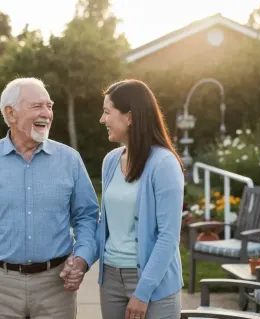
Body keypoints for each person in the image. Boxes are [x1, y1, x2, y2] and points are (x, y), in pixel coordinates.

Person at [0, 77, 99, 319]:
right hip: (0, 287)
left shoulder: (69, 160)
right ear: (11, 114)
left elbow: (88, 217)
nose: (47, 114)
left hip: (56, 286)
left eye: (49, 106)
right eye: (37, 106)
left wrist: (82, 258)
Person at [96, 79, 184, 319]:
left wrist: (143, 292)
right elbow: (106, 225)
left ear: (130, 117)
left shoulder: (164, 164)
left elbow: (168, 236)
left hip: (153, 283)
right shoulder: (111, 161)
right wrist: (80, 260)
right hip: (111, 279)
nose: (102, 119)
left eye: (107, 112)